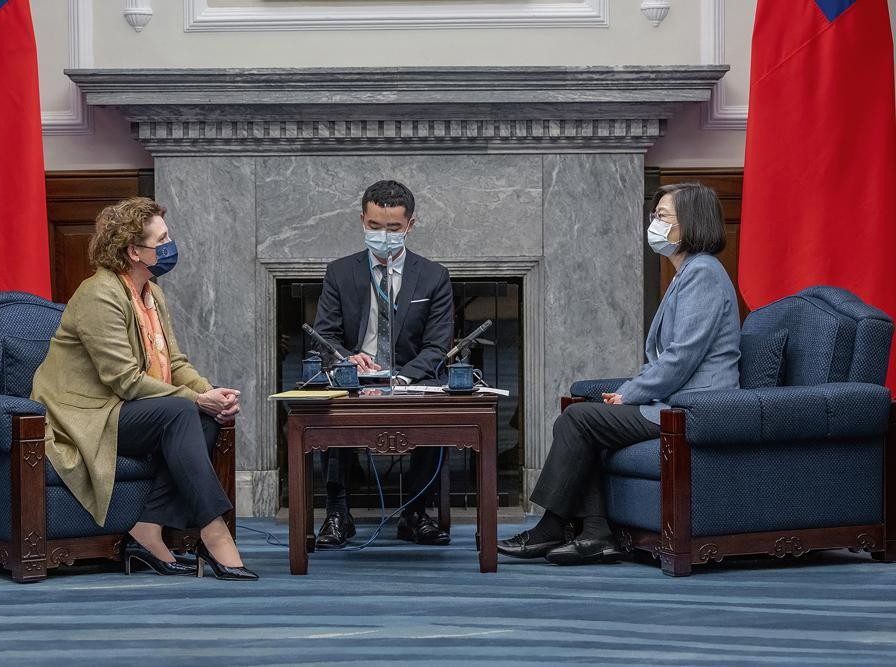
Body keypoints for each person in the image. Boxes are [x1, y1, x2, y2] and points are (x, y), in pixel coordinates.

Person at [498, 182, 741, 565]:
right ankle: (595, 533)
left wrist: (631, 393)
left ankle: (554, 527)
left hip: (694, 406)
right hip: (673, 400)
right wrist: (632, 391)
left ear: (690, 224)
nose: (654, 225)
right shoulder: (688, 273)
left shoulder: (703, 274)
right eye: (654, 216)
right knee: (584, 417)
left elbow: (681, 358)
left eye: (662, 217)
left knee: (579, 418)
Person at [30, 197, 257, 581]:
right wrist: (195, 399)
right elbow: (124, 380)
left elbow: (176, 363)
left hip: (127, 407)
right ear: (134, 251)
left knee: (203, 416)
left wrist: (210, 394)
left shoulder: (151, 291)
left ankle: (147, 529)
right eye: (162, 239)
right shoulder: (98, 294)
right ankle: (213, 528)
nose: (170, 246)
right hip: (88, 413)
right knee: (185, 410)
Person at [311, 180, 454, 548]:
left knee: (437, 404)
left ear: (410, 225)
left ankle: (415, 513)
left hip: (411, 377)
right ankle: (338, 513)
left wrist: (402, 379)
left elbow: (437, 347)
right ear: (362, 220)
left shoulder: (434, 276)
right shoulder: (340, 273)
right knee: (330, 404)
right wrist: (348, 360)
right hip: (354, 378)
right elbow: (325, 337)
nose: (383, 236)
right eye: (374, 227)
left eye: (392, 228)